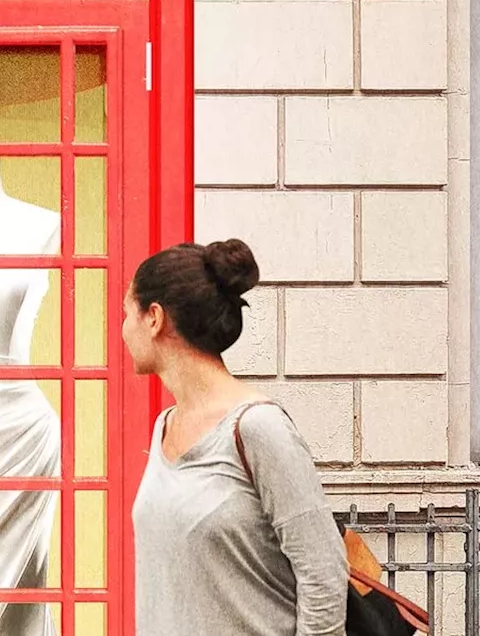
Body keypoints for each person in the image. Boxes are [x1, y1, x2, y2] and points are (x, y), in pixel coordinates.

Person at [125, 238, 349, 636]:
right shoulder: (165, 426)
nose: (123, 330)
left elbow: (325, 573)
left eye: (127, 313)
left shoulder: (258, 428)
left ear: (154, 317)